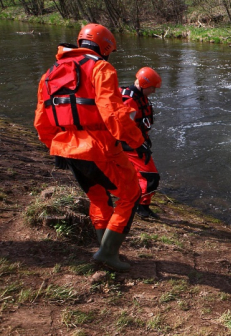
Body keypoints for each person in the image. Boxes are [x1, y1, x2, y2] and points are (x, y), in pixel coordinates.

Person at [34, 23, 152, 271]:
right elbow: (113, 115)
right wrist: (138, 142)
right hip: (99, 149)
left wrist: (55, 147)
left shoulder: (49, 73)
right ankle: (108, 253)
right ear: (105, 48)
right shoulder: (101, 68)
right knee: (130, 195)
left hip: (67, 147)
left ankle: (103, 250)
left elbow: (41, 120)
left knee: (98, 197)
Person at [120, 67, 162, 218]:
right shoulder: (129, 101)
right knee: (151, 177)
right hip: (130, 145)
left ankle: (140, 204)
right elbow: (124, 130)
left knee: (137, 176)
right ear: (144, 85)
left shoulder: (138, 97)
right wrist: (139, 145)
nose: (154, 91)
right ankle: (141, 207)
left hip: (137, 142)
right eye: (152, 88)